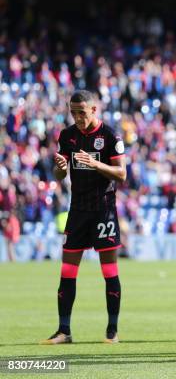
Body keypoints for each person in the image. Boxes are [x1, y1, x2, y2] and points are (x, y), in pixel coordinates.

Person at [41, 90, 127, 345]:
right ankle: (64, 331)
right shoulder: (67, 136)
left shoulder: (111, 136)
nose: (77, 117)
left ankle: (112, 331)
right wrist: (61, 167)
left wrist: (94, 163)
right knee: (67, 271)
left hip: (104, 210)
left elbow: (121, 175)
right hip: (77, 210)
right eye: (73, 112)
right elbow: (59, 175)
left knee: (109, 271)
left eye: (82, 112)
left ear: (93, 110)